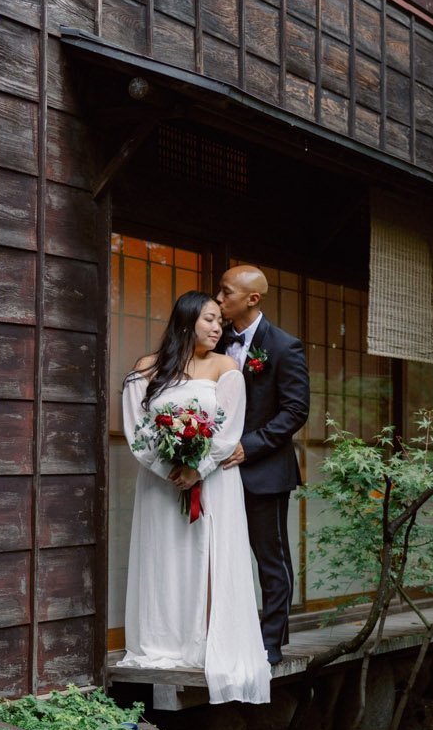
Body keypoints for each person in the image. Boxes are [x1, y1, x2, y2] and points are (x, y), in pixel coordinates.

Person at [113, 291, 271, 705]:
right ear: (186, 321)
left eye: (220, 321)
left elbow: (228, 431)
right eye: (210, 320)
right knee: (164, 557)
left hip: (214, 481)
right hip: (160, 485)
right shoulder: (146, 369)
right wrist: (171, 470)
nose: (218, 328)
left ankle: (202, 643)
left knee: (206, 554)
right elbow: (137, 431)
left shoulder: (226, 367)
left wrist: (195, 468)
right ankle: (162, 641)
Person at [213, 266, 309, 665]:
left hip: (264, 471)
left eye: (226, 292)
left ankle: (271, 642)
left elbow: (295, 411)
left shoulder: (285, 347)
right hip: (217, 472)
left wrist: (247, 447)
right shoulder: (214, 343)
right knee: (221, 557)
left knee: (271, 558)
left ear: (252, 299)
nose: (219, 299)